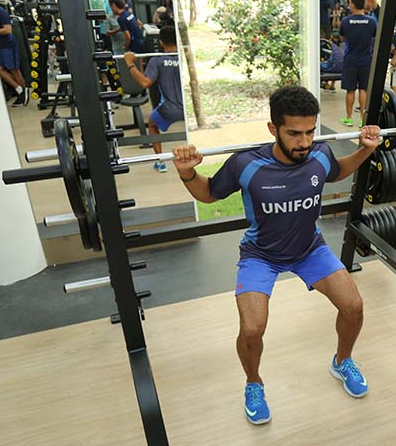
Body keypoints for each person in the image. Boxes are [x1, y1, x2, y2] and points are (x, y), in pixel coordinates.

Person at [171, 86, 380, 425]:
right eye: (294, 133)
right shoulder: (246, 164)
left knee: (353, 305)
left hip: (309, 249)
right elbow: (209, 194)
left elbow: (336, 171)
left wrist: (364, 151)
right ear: (273, 129)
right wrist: (187, 173)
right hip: (261, 255)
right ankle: (253, 384)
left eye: (311, 131)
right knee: (253, 329)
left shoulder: (320, 155)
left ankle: (342, 361)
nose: (304, 141)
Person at [123, 26, 183, 172]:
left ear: (161, 42)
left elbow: (144, 83)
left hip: (170, 109)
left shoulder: (157, 60)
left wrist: (130, 63)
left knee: (152, 124)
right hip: (188, 109)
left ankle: (161, 162)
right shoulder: (185, 56)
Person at [339, 0, 377, 127]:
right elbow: (374, 38)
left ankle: (349, 118)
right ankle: (362, 119)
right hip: (366, 59)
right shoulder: (371, 21)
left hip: (350, 59)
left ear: (353, 5)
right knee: (363, 89)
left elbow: (342, 39)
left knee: (350, 90)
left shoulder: (345, 21)